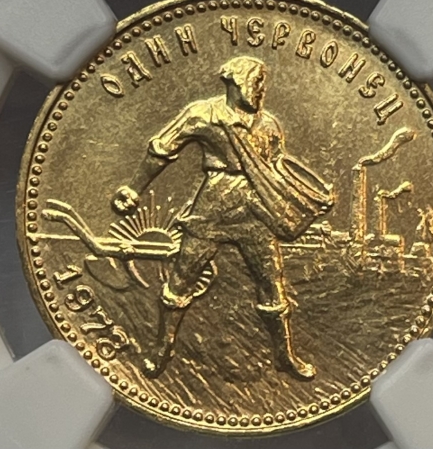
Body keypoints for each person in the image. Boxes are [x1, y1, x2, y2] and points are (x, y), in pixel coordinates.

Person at [112, 56, 334, 380]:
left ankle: (283, 355)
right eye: (255, 82)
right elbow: (161, 149)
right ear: (235, 81)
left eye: (263, 84)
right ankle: (163, 347)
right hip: (213, 206)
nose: (261, 90)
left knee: (271, 283)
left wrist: (307, 198)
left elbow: (277, 171)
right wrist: (134, 189)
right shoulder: (202, 114)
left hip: (256, 209)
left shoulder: (269, 125)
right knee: (182, 278)